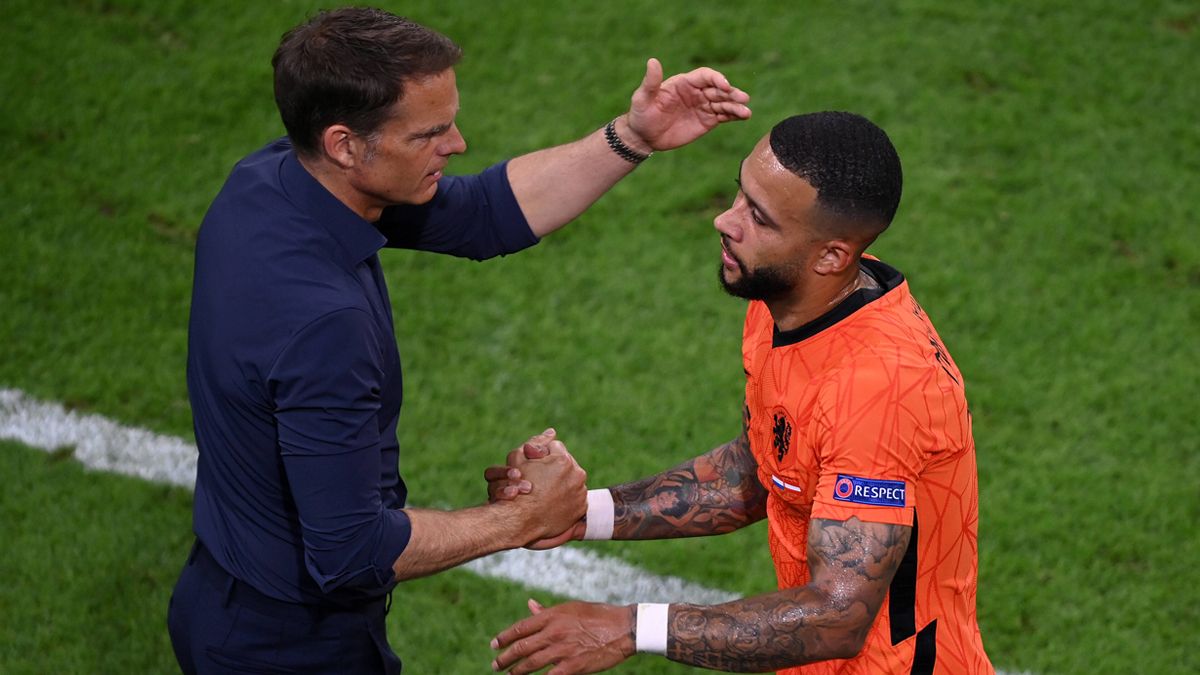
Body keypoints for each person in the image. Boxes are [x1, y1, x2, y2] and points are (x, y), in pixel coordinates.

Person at [166, 6, 751, 674]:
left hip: (221, 599)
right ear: (344, 143)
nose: (459, 143)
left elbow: (481, 216)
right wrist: (524, 518)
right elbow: (352, 551)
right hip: (289, 648)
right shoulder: (322, 325)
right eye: (430, 133)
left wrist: (633, 135)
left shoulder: (269, 182)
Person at [489, 112, 993, 674]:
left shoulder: (880, 391)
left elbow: (837, 615)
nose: (724, 222)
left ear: (832, 255)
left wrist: (630, 628)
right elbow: (764, 468)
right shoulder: (786, 294)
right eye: (740, 194)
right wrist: (586, 512)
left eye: (760, 217)